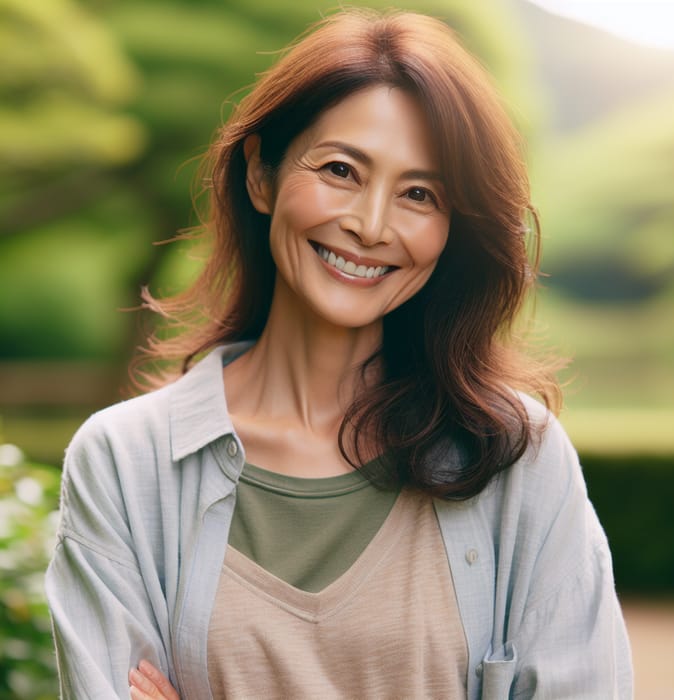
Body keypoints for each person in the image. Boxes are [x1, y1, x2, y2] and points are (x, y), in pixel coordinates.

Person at [46, 8, 633, 699]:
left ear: (451, 230)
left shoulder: (515, 458)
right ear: (261, 175)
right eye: (341, 170)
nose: (370, 224)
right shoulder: (125, 463)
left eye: (419, 194)